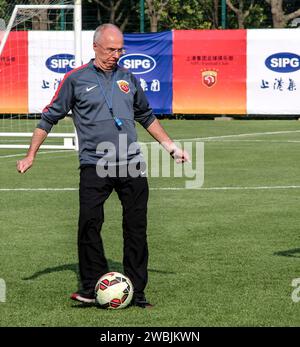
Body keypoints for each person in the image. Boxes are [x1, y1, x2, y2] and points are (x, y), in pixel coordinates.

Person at [16, 23, 189, 308]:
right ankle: (89, 287)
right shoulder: (75, 79)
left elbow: (146, 116)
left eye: (120, 49)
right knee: (89, 224)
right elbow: (48, 118)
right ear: (95, 46)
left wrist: (170, 147)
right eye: (111, 49)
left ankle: (137, 292)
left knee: (136, 228)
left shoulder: (129, 78)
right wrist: (30, 154)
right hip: (94, 165)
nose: (116, 54)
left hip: (131, 165)